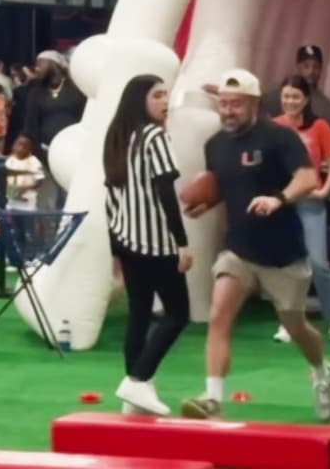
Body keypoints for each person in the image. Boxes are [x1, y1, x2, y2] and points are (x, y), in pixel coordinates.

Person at [179, 69, 330, 423]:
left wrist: (278, 199)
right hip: (239, 250)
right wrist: (205, 202)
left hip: (283, 253)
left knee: (295, 326)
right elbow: (224, 185)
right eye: (223, 104)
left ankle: (323, 372)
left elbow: (308, 178)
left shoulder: (279, 137)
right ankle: (213, 399)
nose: (228, 111)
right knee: (219, 314)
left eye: (235, 104)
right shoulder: (215, 145)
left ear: (253, 103)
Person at [103, 75, 192, 417]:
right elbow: (165, 190)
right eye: (157, 95)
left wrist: (116, 247)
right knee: (177, 313)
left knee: (139, 314)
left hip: (127, 240)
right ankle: (139, 379)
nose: (164, 101)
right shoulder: (154, 136)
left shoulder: (119, 138)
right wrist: (181, 242)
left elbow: (109, 198)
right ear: (139, 100)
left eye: (166, 95)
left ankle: (134, 393)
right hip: (155, 242)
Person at [271, 75, 330, 346]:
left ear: (306, 99)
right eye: (286, 96)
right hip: (284, 204)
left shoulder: (319, 126)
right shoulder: (275, 127)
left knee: (319, 263)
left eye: (296, 96)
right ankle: (288, 321)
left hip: (312, 203)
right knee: (287, 266)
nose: (290, 101)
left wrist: (326, 189)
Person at [22, 50, 86, 211]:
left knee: (70, 198)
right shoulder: (36, 92)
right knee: (46, 202)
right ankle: (48, 235)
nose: (37, 68)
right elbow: (30, 124)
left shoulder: (76, 89)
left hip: (73, 153)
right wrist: (37, 152)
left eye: (41, 63)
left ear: (54, 65)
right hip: (45, 152)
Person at [261, 46, 330, 139]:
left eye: (316, 67)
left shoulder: (327, 107)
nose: (311, 71)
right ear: (297, 67)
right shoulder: (273, 94)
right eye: (306, 66)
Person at [5, 134, 46, 248]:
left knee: (28, 232)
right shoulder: (10, 160)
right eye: (17, 144)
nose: (20, 148)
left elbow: (40, 181)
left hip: (27, 205)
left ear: (29, 149)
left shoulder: (34, 162)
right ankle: (17, 256)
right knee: (15, 232)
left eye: (24, 146)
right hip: (12, 203)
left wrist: (27, 187)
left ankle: (30, 255)